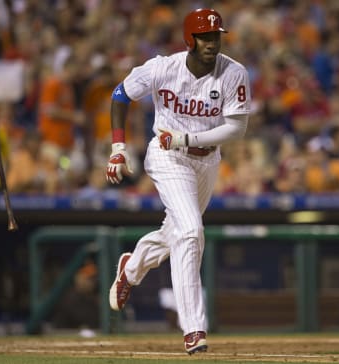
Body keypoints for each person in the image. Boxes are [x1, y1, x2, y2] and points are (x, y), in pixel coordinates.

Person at [106, 8, 251, 354]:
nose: (211, 43)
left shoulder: (234, 73)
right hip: (167, 157)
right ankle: (194, 330)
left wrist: (186, 139)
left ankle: (133, 266)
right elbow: (120, 94)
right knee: (190, 231)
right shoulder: (163, 68)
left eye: (216, 36)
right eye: (204, 36)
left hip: (205, 159)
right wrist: (117, 148)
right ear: (190, 38)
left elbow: (237, 128)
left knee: (177, 233)